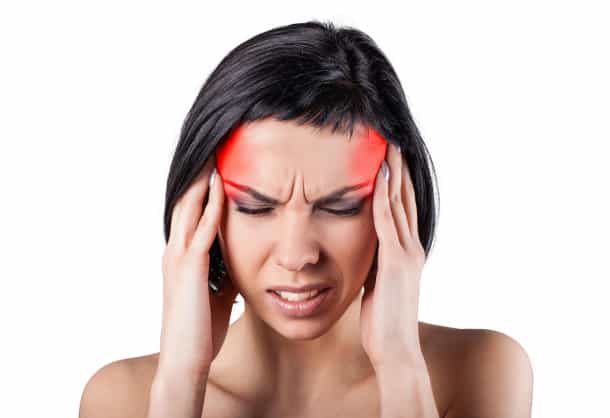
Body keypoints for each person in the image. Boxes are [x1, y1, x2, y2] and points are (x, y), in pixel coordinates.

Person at [79, 20, 533, 418]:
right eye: (255, 207)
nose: (297, 255)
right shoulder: (123, 398)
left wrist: (400, 365)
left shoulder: (481, 370)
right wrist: (181, 379)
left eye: (340, 207)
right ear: (199, 214)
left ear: (400, 202)